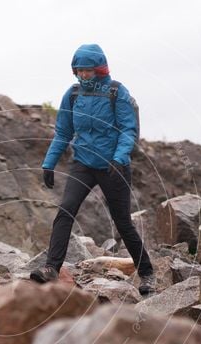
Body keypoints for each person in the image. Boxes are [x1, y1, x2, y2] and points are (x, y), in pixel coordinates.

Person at [30, 43, 156, 295]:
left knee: (122, 223)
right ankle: (51, 268)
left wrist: (119, 158)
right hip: (83, 164)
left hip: (113, 166)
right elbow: (64, 131)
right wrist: (49, 162)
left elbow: (128, 130)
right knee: (65, 211)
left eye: (87, 70)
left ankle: (147, 274)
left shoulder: (116, 92)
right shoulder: (73, 94)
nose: (83, 75)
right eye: (79, 70)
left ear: (99, 69)